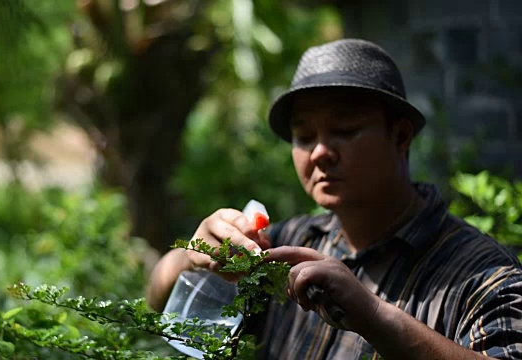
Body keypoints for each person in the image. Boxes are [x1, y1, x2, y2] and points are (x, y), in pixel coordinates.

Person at [146, 38, 522, 359]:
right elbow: (156, 300)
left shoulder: (482, 275)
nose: (319, 152)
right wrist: (194, 257)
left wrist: (375, 316)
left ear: (401, 137)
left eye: (345, 130)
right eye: (304, 136)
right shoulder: (287, 244)